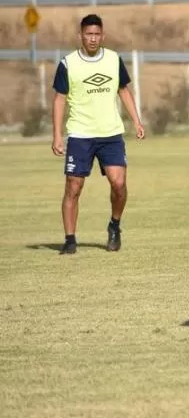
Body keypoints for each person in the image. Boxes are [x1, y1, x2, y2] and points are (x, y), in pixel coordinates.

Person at [51, 14, 145, 255]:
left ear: (102, 35)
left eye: (96, 34)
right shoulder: (68, 63)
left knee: (119, 183)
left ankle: (114, 225)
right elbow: (59, 100)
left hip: (111, 134)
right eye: (88, 34)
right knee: (74, 186)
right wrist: (57, 135)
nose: (92, 39)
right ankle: (70, 239)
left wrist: (136, 121)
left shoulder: (113, 59)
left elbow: (123, 90)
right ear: (80, 36)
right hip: (80, 134)